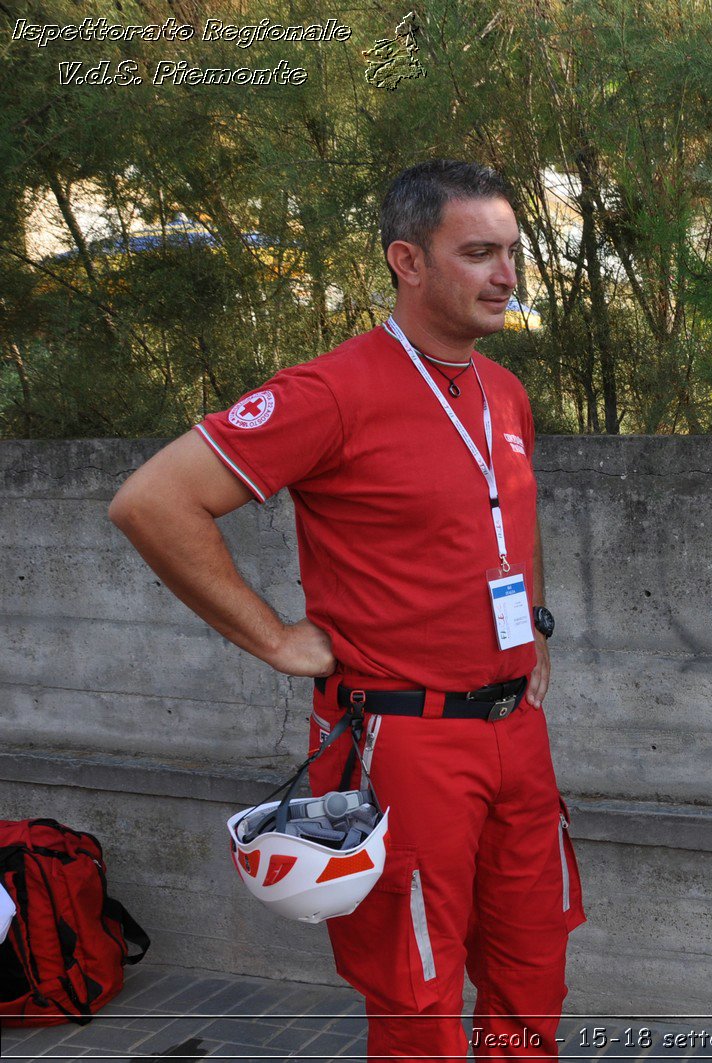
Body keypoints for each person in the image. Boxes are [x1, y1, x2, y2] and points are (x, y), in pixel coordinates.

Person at [108, 160, 583, 1061]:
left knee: (533, 968)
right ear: (408, 260)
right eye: (478, 252)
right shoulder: (333, 392)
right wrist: (278, 640)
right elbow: (152, 500)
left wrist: (538, 630)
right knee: (417, 990)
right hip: (404, 738)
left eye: (511, 252)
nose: (506, 274)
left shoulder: (503, 389)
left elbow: (508, 518)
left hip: (515, 729)